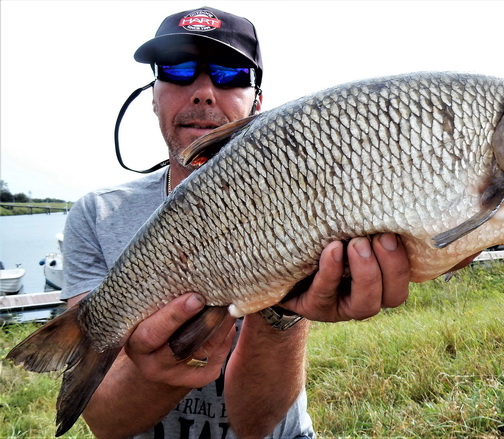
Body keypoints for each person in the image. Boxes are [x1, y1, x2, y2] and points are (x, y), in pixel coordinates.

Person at [61, 6, 411, 439]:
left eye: (230, 73)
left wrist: (281, 310)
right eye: (178, 69)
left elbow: (257, 425)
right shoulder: (96, 214)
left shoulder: (306, 193)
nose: (204, 92)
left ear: (257, 103)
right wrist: (163, 367)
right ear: (153, 95)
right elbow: (107, 423)